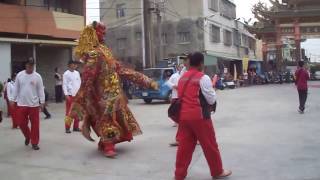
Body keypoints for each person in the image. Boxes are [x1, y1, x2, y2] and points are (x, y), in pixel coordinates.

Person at [66, 21, 158, 158]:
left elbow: (121, 70)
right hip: (101, 96)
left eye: (104, 32)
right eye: (101, 32)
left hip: (115, 93)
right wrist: (80, 100)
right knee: (106, 120)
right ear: (92, 34)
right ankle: (108, 145)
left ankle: (105, 142)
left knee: (119, 119)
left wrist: (145, 80)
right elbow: (88, 78)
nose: (104, 34)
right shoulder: (94, 54)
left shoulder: (105, 50)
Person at [175, 52, 231, 180]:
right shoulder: (203, 77)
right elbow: (211, 99)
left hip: (184, 117)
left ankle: (179, 175)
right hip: (200, 117)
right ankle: (217, 171)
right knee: (210, 145)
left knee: (184, 147)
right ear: (201, 63)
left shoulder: (182, 78)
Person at [11, 60, 45, 150]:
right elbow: (16, 88)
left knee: (35, 124)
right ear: (26, 65)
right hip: (22, 103)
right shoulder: (20, 75)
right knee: (21, 123)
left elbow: (40, 90)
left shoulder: (37, 76)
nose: (31, 67)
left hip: (34, 104)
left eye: (32, 65)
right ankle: (28, 136)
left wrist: (42, 101)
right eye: (29, 65)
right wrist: (12, 99)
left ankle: (34, 142)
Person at [63, 60, 81, 133]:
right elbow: (64, 84)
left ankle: (76, 127)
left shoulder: (77, 73)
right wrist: (66, 94)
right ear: (69, 65)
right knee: (69, 112)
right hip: (70, 95)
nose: (74, 66)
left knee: (77, 111)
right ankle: (67, 127)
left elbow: (79, 83)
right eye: (73, 64)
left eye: (75, 65)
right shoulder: (66, 74)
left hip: (77, 95)